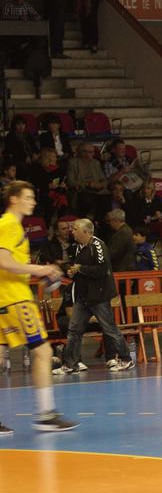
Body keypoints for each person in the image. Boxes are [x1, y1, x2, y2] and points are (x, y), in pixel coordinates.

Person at [0, 184, 78, 434]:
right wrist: (41, 269)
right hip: (16, 300)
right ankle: (46, 414)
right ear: (14, 199)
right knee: (43, 351)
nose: (33, 201)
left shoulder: (8, 225)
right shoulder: (9, 224)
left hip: (5, 298)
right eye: (28, 197)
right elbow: (2, 260)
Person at [56, 216, 135, 373]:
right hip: (83, 296)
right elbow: (78, 268)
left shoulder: (98, 245)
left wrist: (80, 269)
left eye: (75, 229)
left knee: (110, 329)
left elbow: (101, 270)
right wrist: (72, 272)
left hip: (98, 296)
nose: (72, 231)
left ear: (86, 231)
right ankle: (70, 364)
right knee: (74, 330)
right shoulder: (78, 247)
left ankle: (126, 359)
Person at [104, 208, 135, 273]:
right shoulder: (125, 231)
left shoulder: (123, 232)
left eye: (110, 221)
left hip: (123, 270)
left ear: (115, 220)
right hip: (123, 269)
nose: (109, 223)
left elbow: (113, 252)